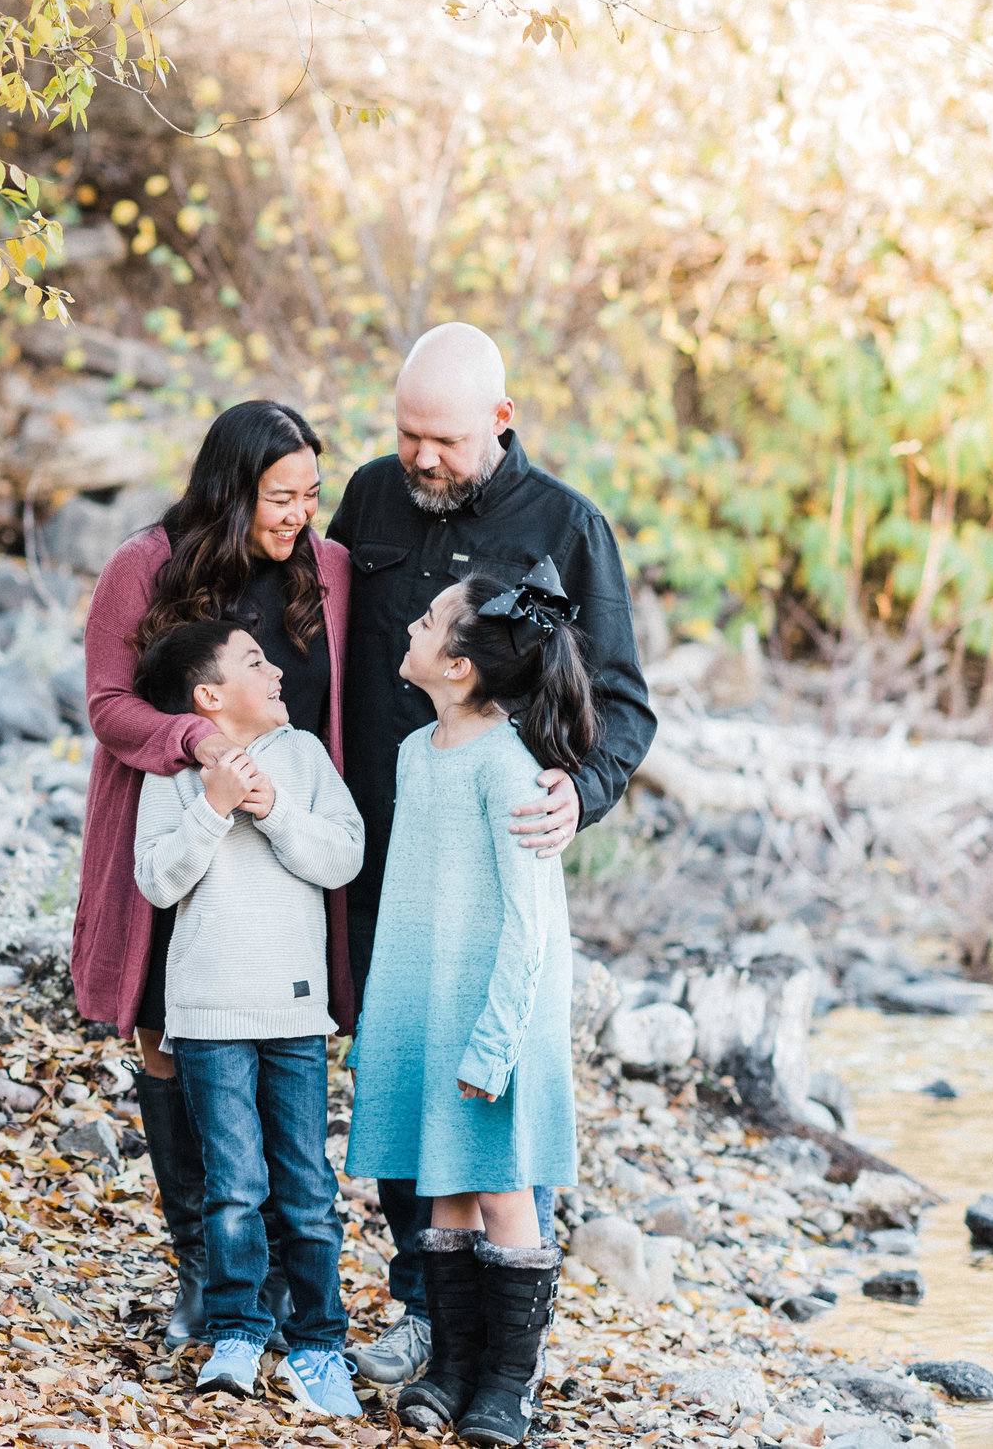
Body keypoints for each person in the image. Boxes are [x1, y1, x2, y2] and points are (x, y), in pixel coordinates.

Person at [323, 324, 654, 1382]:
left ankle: (491, 1347)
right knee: (407, 1068)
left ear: (500, 423)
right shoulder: (372, 498)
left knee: (491, 1089)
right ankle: (422, 1301)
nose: (422, 458)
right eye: (408, 432)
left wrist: (580, 791)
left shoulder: (567, 524)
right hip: (377, 850)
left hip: (494, 859)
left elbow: (624, 705)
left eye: (447, 440)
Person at [71, 400, 356, 1350]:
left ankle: (274, 1278)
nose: (300, 516)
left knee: (280, 1054)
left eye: (314, 494)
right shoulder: (143, 565)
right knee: (164, 1030)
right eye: (281, 497)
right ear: (232, 491)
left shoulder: (327, 571)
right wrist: (196, 744)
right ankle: (201, 1261)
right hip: (174, 823)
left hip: (285, 858)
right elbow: (110, 705)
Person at [344, 566, 590, 1446]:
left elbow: (530, 927)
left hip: (497, 1011)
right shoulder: (419, 753)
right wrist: (383, 1022)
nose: (410, 625)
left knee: (499, 1182)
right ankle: (449, 1365)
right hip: (429, 999)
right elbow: (412, 899)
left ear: (458, 666)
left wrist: (495, 1043)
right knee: (439, 1179)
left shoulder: (510, 767)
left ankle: (506, 1383)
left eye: (427, 620)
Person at [131, 620, 366, 1415]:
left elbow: (345, 852)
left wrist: (273, 813)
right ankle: (237, 1329)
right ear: (209, 696)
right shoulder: (173, 775)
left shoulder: (302, 755)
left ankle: (319, 1342)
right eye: (255, 662)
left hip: (294, 1009)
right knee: (232, 1186)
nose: (276, 672)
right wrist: (213, 807)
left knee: (304, 1186)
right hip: (206, 1011)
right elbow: (157, 881)